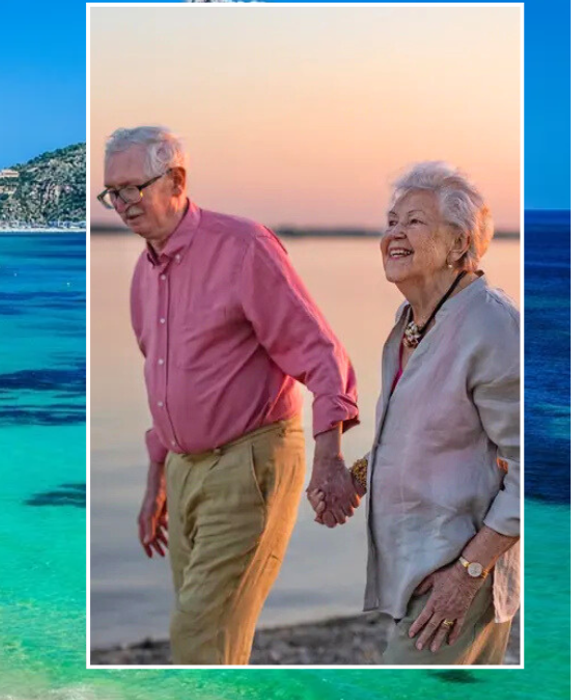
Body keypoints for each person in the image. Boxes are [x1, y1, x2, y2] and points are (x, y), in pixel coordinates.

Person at [102, 125, 361, 664]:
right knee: (209, 634)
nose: (123, 204)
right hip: (183, 467)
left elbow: (321, 354)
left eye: (133, 188)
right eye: (112, 193)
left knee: (201, 635)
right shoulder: (143, 273)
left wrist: (330, 456)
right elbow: (162, 379)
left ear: (176, 180)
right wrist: (156, 481)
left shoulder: (244, 247)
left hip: (250, 461)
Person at [312, 162, 520, 664]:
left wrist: (466, 575)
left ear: (458, 245)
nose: (393, 234)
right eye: (391, 221)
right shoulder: (411, 321)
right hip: (418, 570)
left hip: (456, 576)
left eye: (414, 222)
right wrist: (355, 477)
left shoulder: (490, 325)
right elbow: (424, 437)